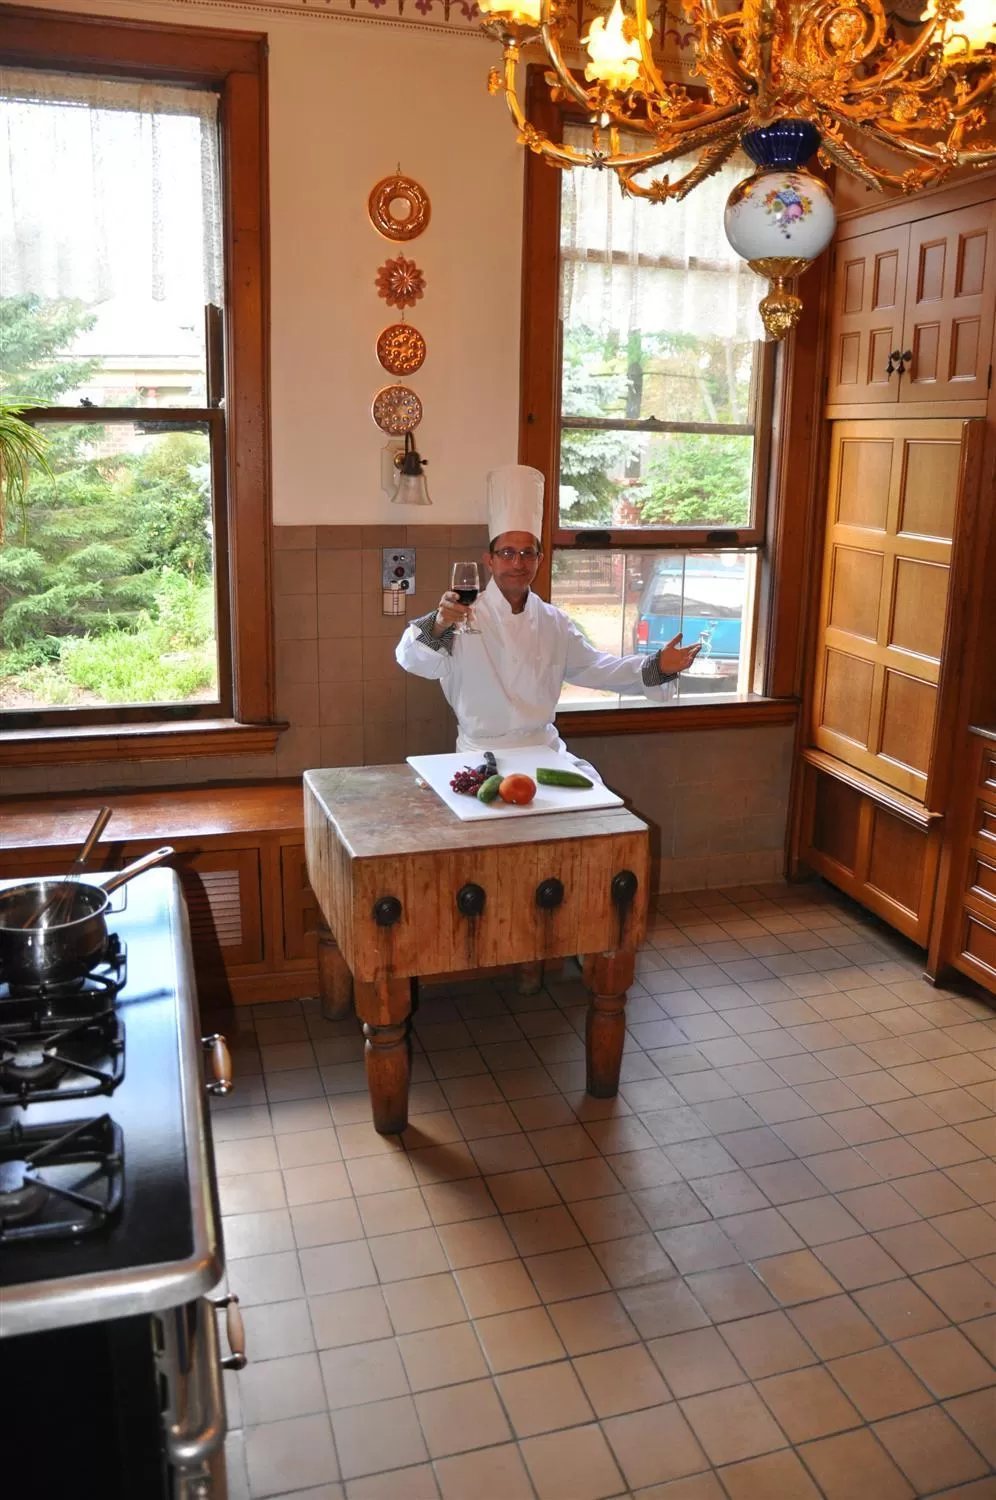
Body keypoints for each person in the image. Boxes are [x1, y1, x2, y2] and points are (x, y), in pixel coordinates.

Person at [396, 464, 701, 754]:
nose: (518, 563)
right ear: (489, 560)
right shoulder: (458, 616)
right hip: (480, 755)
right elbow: (412, 660)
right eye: (507, 553)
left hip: (546, 750)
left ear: (539, 561)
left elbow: (597, 668)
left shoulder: (553, 622)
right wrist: (438, 623)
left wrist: (658, 666)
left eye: (528, 553)